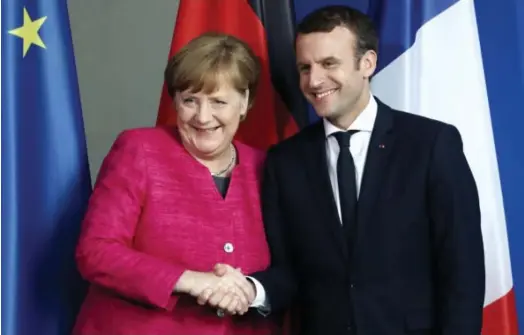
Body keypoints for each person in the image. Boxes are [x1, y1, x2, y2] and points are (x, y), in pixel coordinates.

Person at [204, 5, 486, 335]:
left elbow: (462, 272)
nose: (314, 80)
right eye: (304, 67)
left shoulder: (431, 145)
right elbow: (288, 271)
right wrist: (250, 289)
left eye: (328, 64)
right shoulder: (285, 161)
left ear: (367, 63)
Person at [72, 32, 278, 335]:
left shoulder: (268, 168)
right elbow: (96, 251)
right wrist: (189, 279)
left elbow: (292, 267)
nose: (203, 116)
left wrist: (250, 290)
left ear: (245, 102)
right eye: (190, 100)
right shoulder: (139, 150)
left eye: (219, 101)